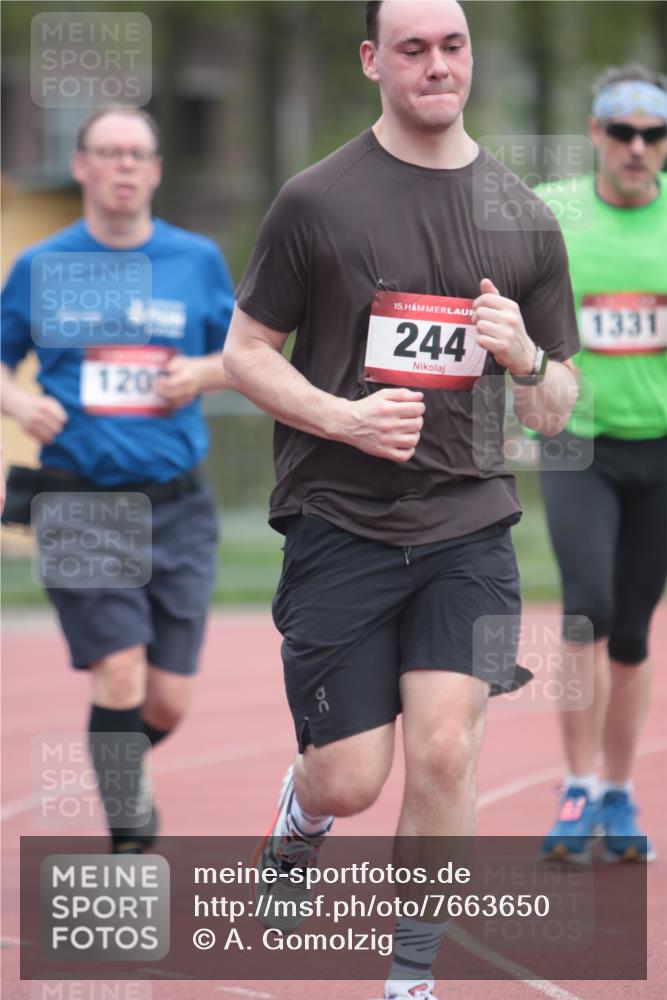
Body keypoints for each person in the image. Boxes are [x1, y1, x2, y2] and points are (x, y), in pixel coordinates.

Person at [223, 2, 578, 997]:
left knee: (444, 748)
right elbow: (244, 354)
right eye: (413, 47)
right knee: (350, 775)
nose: (436, 64)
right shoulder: (316, 203)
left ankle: (409, 978)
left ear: (472, 58)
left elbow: (556, 409)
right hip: (341, 523)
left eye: (452, 45)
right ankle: (302, 816)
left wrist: (525, 355)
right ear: (374, 60)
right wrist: (341, 419)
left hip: (469, 524)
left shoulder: (524, 218)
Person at [1, 107, 234, 853]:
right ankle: (130, 838)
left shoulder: (196, 260)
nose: (124, 167)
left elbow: (246, 354)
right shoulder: (41, 265)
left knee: (166, 701)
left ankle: (116, 766)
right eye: (108, 152)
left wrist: (200, 371)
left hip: (178, 502)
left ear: (157, 170)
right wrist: (19, 400)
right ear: (81, 166)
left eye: (137, 154)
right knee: (120, 671)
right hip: (79, 500)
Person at [536, 66, 667, 864]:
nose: (635, 147)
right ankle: (575, 786)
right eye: (620, 132)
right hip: (576, 441)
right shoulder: (554, 211)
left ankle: (617, 794)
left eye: (652, 135)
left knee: (631, 632)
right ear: (593, 135)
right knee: (586, 608)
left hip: (658, 445)